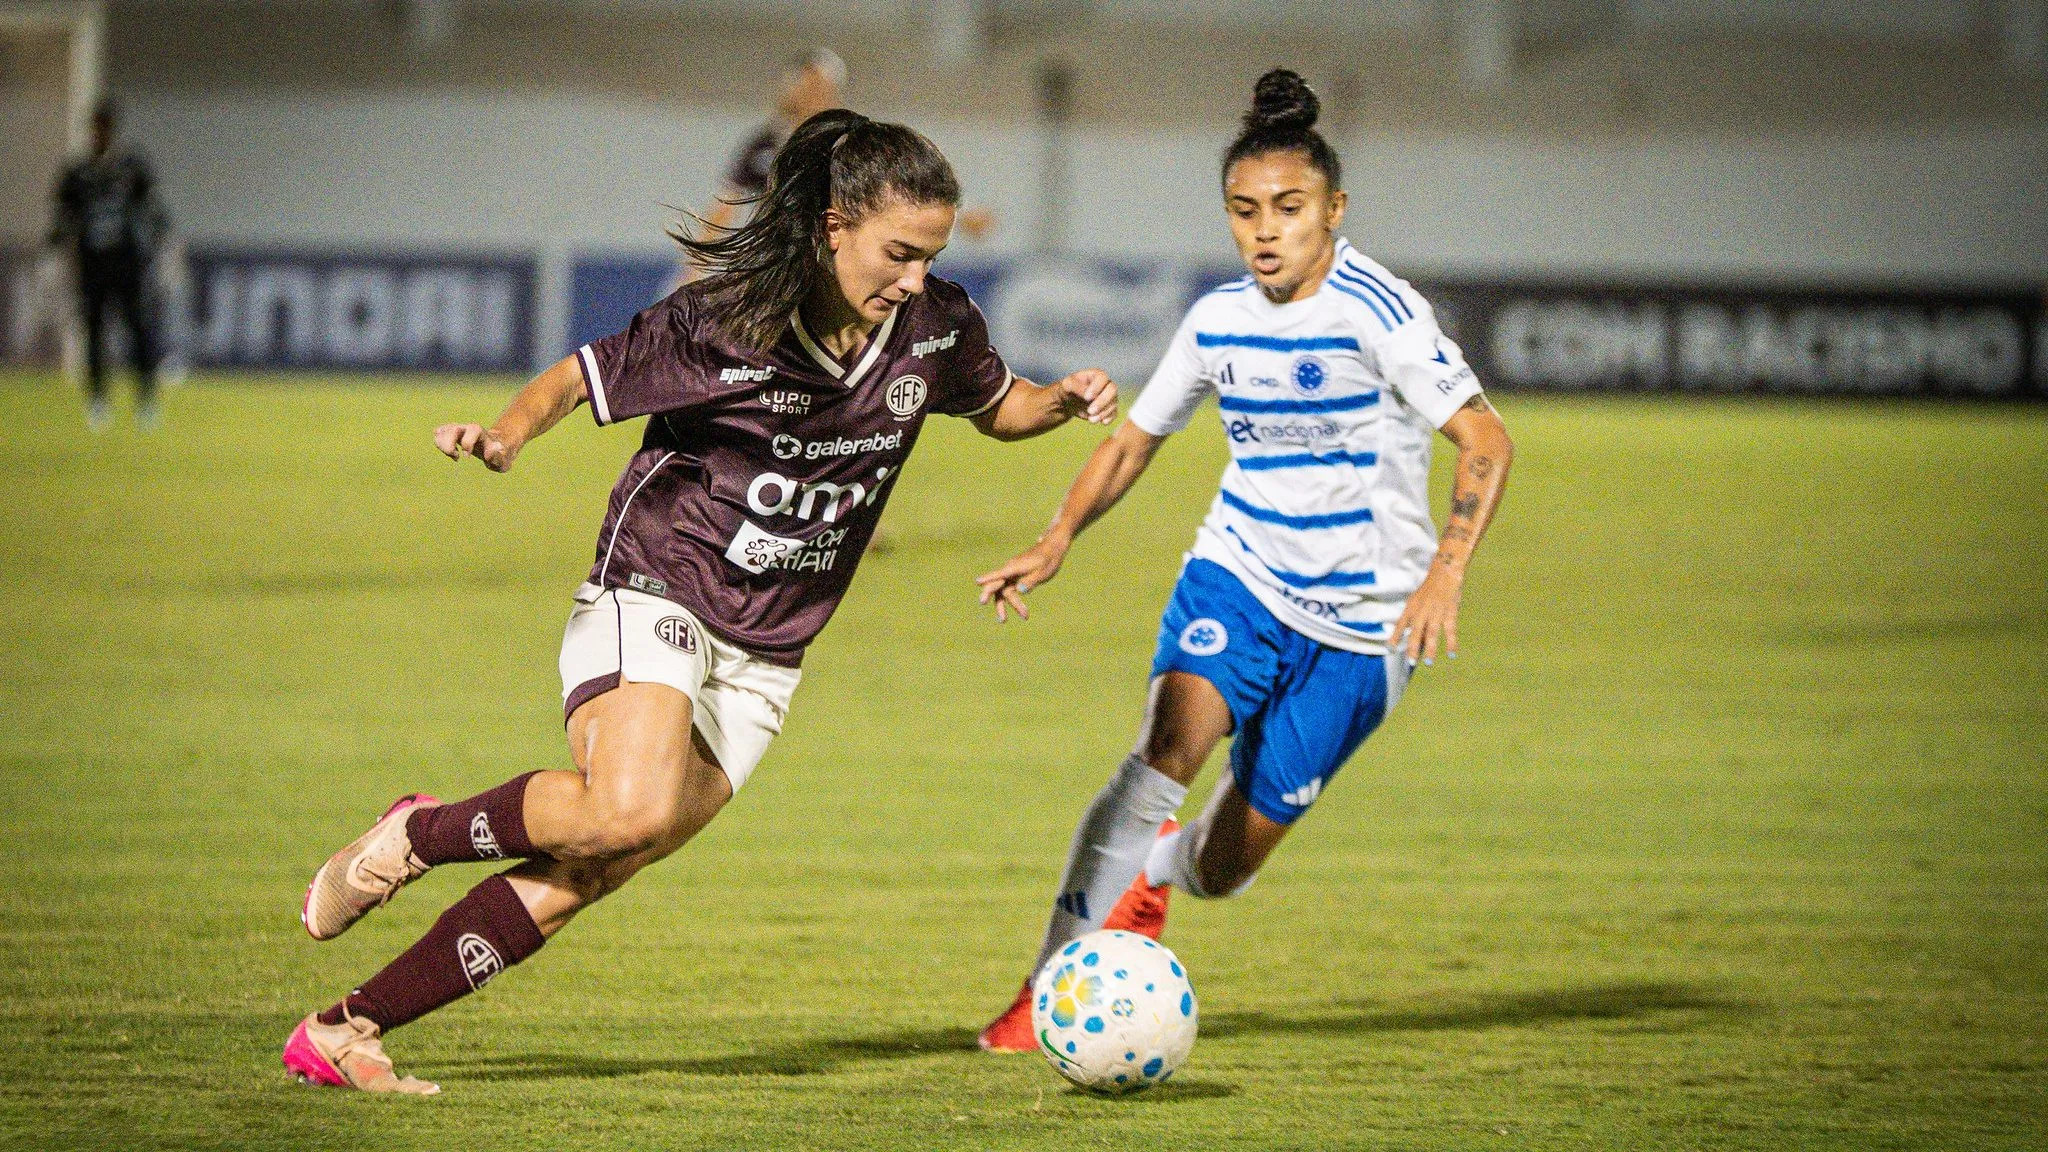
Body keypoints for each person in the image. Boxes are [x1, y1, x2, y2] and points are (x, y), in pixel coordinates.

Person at [283, 109, 1118, 1095]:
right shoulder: (725, 323)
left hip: (770, 648)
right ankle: (417, 834)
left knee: (602, 858)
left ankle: (346, 1030)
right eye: (897, 253)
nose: (911, 279)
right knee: (624, 811)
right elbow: (577, 377)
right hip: (659, 575)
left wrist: (1057, 400)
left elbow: (998, 405)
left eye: (927, 257)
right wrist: (508, 435)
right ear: (832, 225)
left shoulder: (934, 325)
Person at [974, 69, 1515, 1057]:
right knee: (1162, 752)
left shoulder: (1379, 314)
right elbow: (1132, 441)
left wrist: (1445, 571)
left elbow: (1484, 441)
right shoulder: (1216, 317)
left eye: (1288, 209)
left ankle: (1152, 878)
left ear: (1333, 211)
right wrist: (1054, 540)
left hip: (1363, 627)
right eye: (1243, 211)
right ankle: (1046, 988)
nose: (1265, 231)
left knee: (1222, 867)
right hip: (1240, 575)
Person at [51, 99, 167, 430]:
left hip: (128, 265)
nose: (101, 133)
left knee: (138, 330)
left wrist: (160, 245)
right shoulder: (77, 173)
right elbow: (62, 219)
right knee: (95, 332)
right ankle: (98, 400)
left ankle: (146, 400)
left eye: (106, 127)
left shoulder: (130, 168)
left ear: (112, 130)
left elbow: (154, 211)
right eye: (97, 127)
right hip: (93, 267)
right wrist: (54, 252)